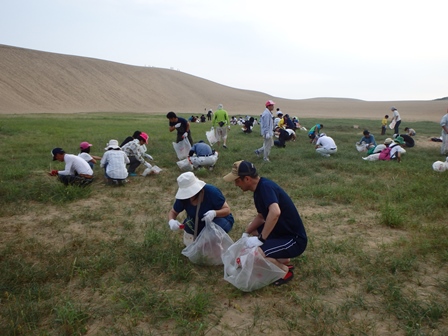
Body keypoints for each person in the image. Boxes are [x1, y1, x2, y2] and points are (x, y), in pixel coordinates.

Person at [223, 160, 307, 286]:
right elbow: (262, 217)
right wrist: (246, 233)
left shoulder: (266, 188)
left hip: (294, 240)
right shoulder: (259, 189)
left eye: (237, 180)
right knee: (253, 231)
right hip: (281, 232)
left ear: (246, 179)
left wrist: (261, 239)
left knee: (256, 254)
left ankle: (285, 272)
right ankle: (282, 259)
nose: (236, 184)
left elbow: (275, 212)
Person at [168, 172, 234, 246]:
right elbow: (173, 212)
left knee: (214, 232)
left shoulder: (211, 192)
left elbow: (227, 210)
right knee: (188, 226)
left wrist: (214, 213)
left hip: (218, 219)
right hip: (197, 221)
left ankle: (215, 245)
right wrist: (171, 221)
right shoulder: (183, 198)